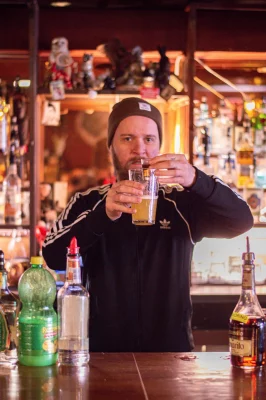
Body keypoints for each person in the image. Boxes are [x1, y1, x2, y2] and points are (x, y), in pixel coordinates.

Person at [42, 97, 253, 352]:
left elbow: (241, 220)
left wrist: (196, 179)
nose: (139, 149)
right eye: (127, 138)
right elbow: (52, 255)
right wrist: (103, 214)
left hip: (172, 357)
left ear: (159, 146)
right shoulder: (88, 202)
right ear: (111, 146)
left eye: (149, 139)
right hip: (103, 357)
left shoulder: (180, 202)